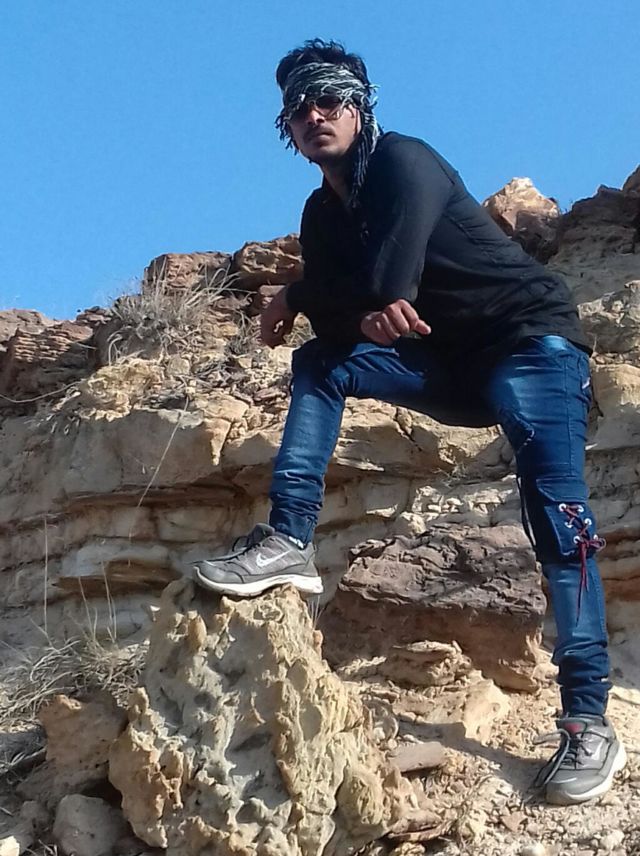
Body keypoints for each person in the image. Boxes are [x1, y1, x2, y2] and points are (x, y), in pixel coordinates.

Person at [193, 39, 626, 804]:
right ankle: (289, 539)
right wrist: (325, 301)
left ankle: (588, 720)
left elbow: (391, 280)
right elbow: (349, 317)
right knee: (320, 363)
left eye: (330, 99)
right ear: (286, 126)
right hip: (450, 367)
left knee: (558, 517)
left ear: (360, 108)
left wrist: (304, 296)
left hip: (532, 346)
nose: (315, 114)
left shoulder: (405, 160)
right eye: (299, 107)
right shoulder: (321, 214)